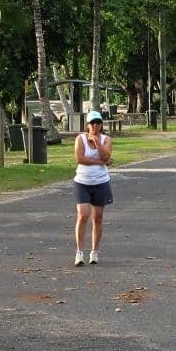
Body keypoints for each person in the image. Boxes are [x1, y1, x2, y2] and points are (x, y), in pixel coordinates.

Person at [72, 110, 113, 266]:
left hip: (101, 181)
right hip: (82, 181)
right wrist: (99, 163)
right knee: (83, 215)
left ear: (102, 124)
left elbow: (106, 156)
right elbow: (80, 158)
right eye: (92, 123)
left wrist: (96, 141)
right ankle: (79, 252)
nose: (95, 126)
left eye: (98, 123)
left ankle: (94, 252)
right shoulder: (80, 139)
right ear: (87, 125)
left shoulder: (106, 139)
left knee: (97, 218)